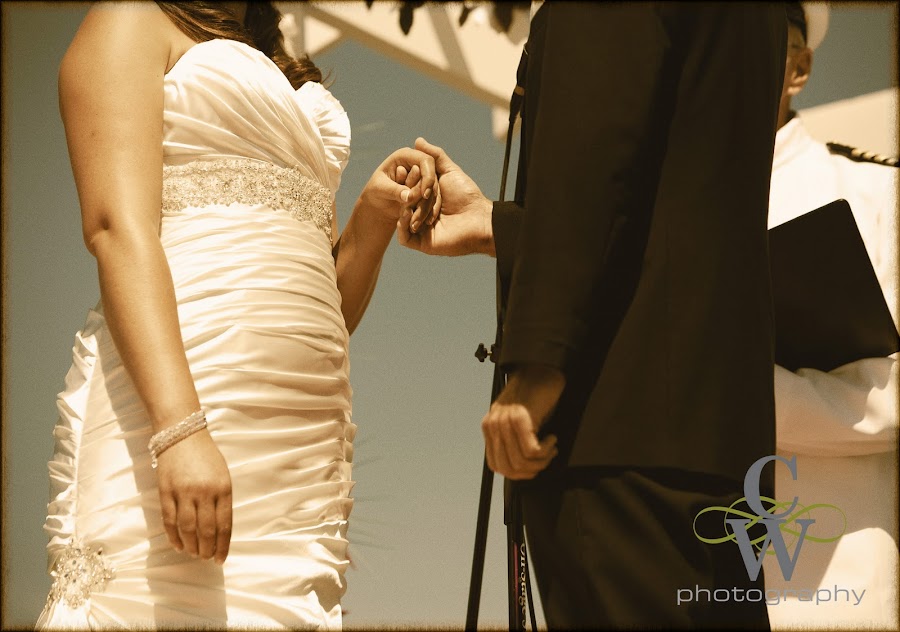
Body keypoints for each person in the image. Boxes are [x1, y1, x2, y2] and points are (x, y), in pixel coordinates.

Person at [37, 1, 438, 629]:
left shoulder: (278, 63)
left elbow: (323, 304)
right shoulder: (128, 18)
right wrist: (179, 429)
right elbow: (117, 229)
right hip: (183, 402)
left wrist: (372, 219)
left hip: (301, 455)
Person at [401, 3, 787, 629]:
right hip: (721, 448)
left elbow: (592, 158)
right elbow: (670, 197)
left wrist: (539, 363)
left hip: (617, 436)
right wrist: (494, 224)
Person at [761, 3, 898, 628]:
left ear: (800, 67)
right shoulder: (658, 220)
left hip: (831, 594)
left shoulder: (878, 197)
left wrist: (732, 394)